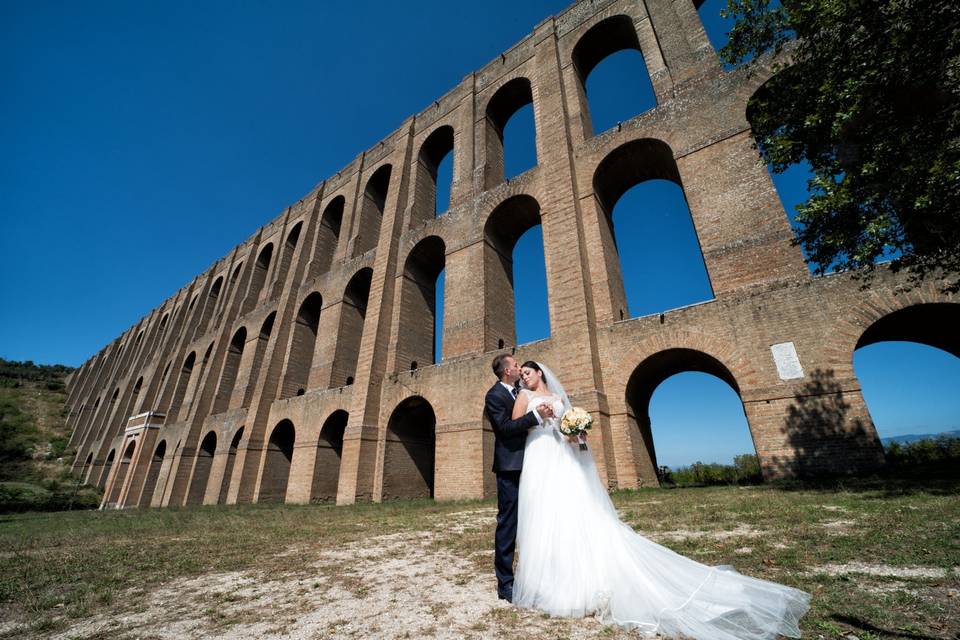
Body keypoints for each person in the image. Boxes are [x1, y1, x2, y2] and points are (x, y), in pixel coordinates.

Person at [509, 360, 810, 639]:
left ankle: (579, 583)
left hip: (563, 458)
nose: (524, 376)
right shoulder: (524, 398)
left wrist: (577, 434)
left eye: (528, 372)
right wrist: (538, 415)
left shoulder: (561, 399)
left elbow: (566, 432)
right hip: (539, 458)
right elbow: (513, 428)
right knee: (545, 515)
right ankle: (550, 584)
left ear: (541, 373)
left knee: (574, 513)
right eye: (521, 374)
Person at [484, 354, 554, 603]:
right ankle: (505, 584)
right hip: (510, 467)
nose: (519, 368)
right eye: (515, 366)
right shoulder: (494, 396)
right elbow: (504, 428)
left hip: (534, 464)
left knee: (538, 520)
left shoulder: (520, 391)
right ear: (506, 371)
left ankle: (540, 575)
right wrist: (535, 417)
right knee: (508, 524)